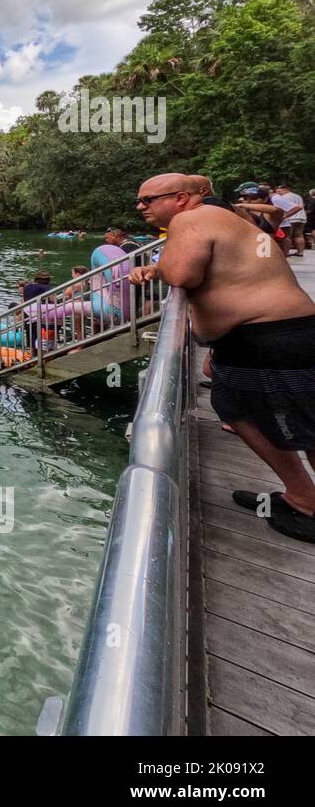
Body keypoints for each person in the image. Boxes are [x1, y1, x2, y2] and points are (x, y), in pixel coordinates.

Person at [129, 173, 315, 543]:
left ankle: (306, 503)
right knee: (236, 407)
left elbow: (182, 272)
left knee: (300, 421)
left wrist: (161, 266)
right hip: (271, 334)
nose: (140, 207)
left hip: (268, 337)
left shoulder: (190, 219)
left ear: (181, 198)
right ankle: (301, 495)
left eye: (148, 200)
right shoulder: (224, 218)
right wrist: (156, 266)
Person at [271, 181, 306, 258]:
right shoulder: (298, 196)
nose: (278, 193)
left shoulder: (283, 197)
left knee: (286, 236)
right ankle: (300, 252)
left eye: (279, 191)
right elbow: (302, 205)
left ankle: (285, 252)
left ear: (285, 190)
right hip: (301, 217)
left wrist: (284, 216)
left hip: (291, 218)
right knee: (299, 235)